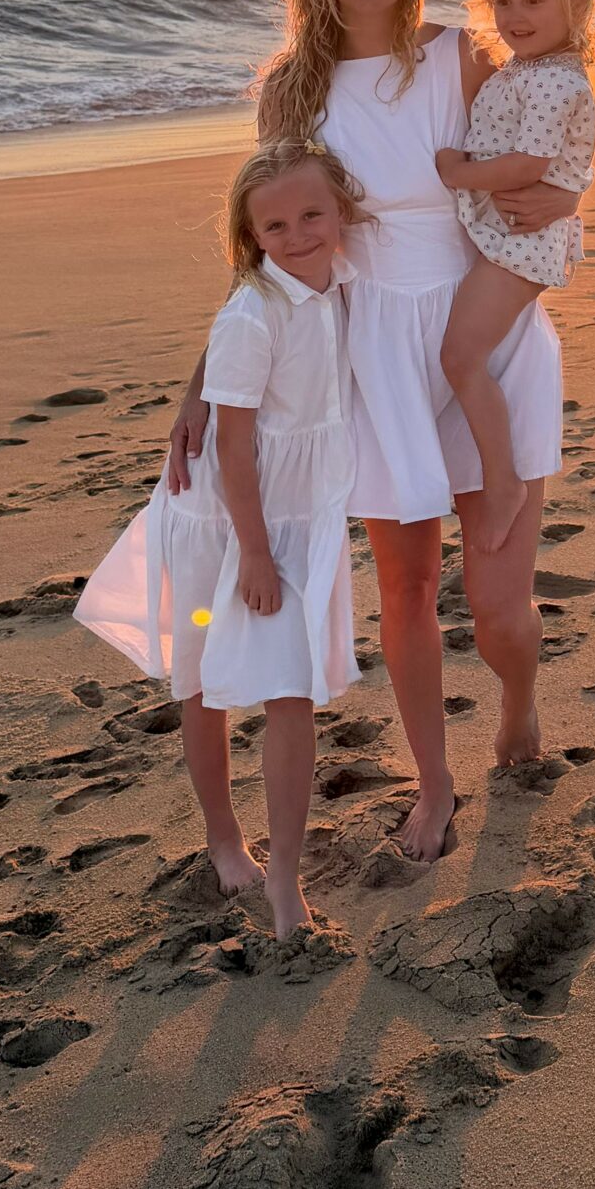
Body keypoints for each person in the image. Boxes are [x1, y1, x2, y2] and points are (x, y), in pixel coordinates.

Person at [168, 0, 579, 861]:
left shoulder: (458, 56)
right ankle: (435, 784)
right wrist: (202, 382)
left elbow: (541, 162)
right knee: (404, 587)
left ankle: (520, 697)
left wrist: (557, 217)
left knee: (497, 607)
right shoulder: (290, 91)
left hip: (485, 330)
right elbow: (269, 247)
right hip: (373, 347)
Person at [74, 137, 367, 939]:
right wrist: (257, 554)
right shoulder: (252, 315)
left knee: (290, 690)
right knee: (202, 685)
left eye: (313, 214)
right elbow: (234, 447)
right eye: (276, 226)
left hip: (299, 521)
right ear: (252, 240)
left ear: (342, 210)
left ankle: (287, 881)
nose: (300, 233)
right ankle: (224, 837)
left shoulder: (344, 284)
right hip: (223, 530)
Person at [435, 0, 595, 549]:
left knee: (460, 357)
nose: (514, 16)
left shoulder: (555, 79)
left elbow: (532, 163)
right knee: (465, 355)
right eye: (503, 2)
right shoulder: (528, 68)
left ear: (574, 7)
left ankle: (502, 483)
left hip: (522, 245)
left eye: (534, 2)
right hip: (511, 238)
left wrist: (460, 174)